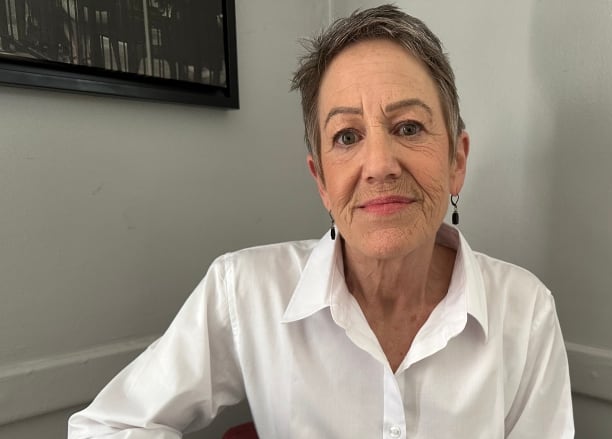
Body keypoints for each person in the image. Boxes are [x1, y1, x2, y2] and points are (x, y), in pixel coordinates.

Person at [68, 5, 574, 438]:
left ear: (456, 161)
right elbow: (104, 427)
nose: (379, 164)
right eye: (347, 137)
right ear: (321, 181)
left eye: (409, 126)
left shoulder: (525, 312)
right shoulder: (244, 291)